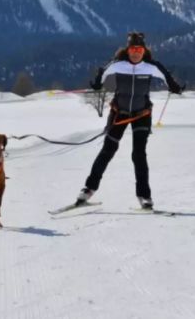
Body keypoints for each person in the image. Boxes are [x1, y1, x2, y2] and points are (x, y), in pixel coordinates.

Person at [75, 31, 184, 209]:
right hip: (120, 112)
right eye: (133, 49)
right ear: (128, 49)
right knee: (107, 150)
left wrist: (175, 87)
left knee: (138, 154)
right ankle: (88, 189)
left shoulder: (151, 67)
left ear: (144, 50)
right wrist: (96, 84)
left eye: (139, 49)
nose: (136, 52)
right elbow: (102, 74)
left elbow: (167, 76)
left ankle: (144, 196)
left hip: (142, 114)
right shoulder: (118, 65)